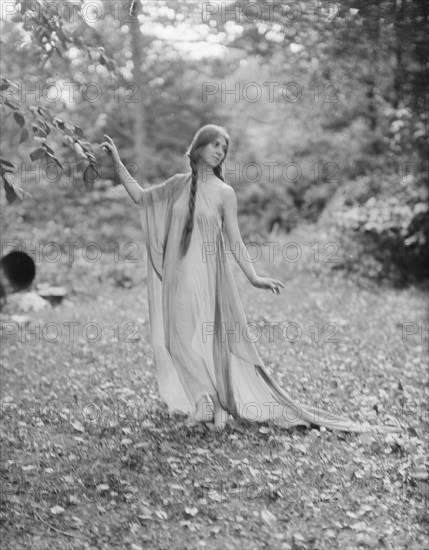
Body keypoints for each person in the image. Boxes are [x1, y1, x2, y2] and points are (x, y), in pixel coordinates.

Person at [99, 125, 400, 434]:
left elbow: (235, 242)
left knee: (181, 338)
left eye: (223, 149)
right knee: (174, 341)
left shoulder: (224, 193)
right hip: (176, 277)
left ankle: (207, 403)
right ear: (198, 147)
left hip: (203, 279)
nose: (219, 151)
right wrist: (118, 162)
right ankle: (207, 400)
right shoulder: (178, 185)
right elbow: (140, 197)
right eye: (214, 145)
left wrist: (254, 277)